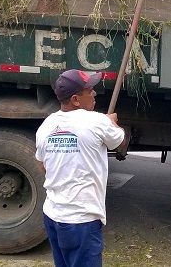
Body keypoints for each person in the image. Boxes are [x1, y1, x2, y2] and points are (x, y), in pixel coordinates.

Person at [35, 69, 126, 267]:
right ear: (76, 99)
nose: (94, 94)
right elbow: (119, 141)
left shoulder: (46, 125)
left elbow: (42, 163)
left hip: (53, 215)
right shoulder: (97, 121)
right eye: (90, 90)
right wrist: (112, 123)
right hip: (81, 221)